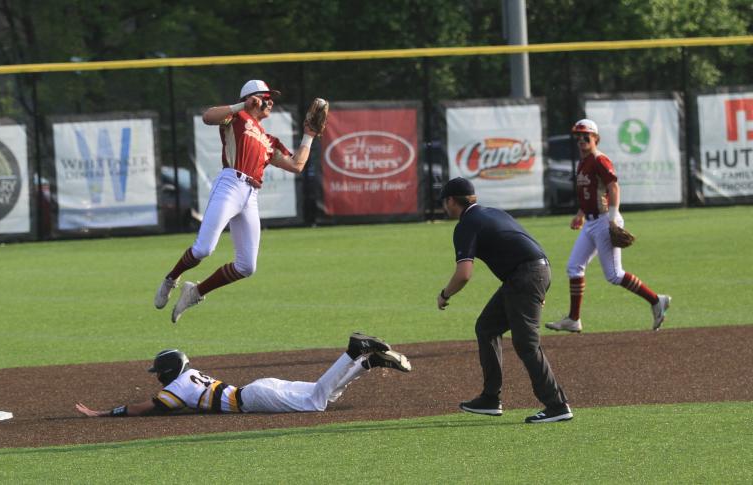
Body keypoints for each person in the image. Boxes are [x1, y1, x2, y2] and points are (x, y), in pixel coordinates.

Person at [154, 79, 319, 323]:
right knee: (204, 248)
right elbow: (208, 117)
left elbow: (296, 165)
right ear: (252, 98)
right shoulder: (238, 118)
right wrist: (238, 106)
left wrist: (309, 136)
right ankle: (171, 278)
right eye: (266, 97)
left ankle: (195, 292)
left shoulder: (269, 139)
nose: (270, 101)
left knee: (246, 266)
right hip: (231, 183)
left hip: (251, 194)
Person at [436, 177, 572, 423]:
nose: (444, 207)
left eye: (444, 202)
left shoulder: (466, 224)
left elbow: (464, 274)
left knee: (526, 343)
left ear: (450, 201)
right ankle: (490, 398)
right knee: (487, 327)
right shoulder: (492, 213)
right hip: (533, 273)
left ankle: (557, 405)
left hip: (525, 276)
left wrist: (445, 294)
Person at [74, 333, 411, 417]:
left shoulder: (177, 385)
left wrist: (105, 412)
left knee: (317, 401)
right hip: (255, 389)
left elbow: (149, 408)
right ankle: (369, 363)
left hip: (252, 397)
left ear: (167, 372)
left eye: (157, 373)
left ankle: (354, 351)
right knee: (327, 392)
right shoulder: (191, 376)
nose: (156, 377)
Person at [545, 119, 671, 333]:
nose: (582, 140)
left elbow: (613, 187)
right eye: (578, 136)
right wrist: (580, 214)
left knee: (614, 275)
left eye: (586, 136)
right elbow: (589, 192)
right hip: (591, 222)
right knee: (574, 267)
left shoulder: (599, 160)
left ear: (596, 138)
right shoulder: (583, 162)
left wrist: (613, 218)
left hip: (605, 220)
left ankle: (656, 300)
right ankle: (574, 319)